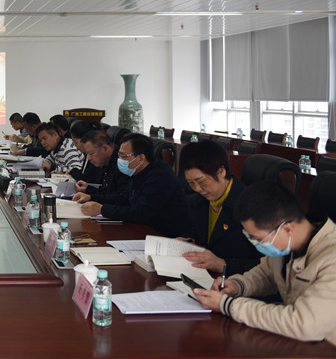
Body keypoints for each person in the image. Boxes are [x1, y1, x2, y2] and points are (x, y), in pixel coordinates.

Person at [193, 182, 336, 346]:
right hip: (296, 343)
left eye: (259, 239)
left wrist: (227, 305)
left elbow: (305, 324)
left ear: (287, 229)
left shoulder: (331, 258)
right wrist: (238, 285)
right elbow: (266, 274)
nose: (257, 245)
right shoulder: (291, 243)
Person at [73, 133, 193, 238]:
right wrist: (91, 197)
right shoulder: (136, 171)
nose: (119, 160)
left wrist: (102, 209)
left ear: (141, 158)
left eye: (123, 156)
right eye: (119, 155)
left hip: (166, 236)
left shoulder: (160, 175)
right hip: (144, 230)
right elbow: (124, 198)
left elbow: (140, 213)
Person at [178, 140, 260, 275]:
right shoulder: (200, 201)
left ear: (221, 171)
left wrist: (224, 265)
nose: (197, 189)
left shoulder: (252, 207)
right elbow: (200, 235)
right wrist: (188, 241)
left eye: (201, 181)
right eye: (191, 183)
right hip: (203, 276)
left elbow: (267, 265)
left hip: (236, 281)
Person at [73, 131, 130, 196]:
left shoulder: (122, 164)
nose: (89, 158)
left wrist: (91, 197)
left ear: (105, 148)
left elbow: (122, 198)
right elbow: (105, 192)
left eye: (91, 153)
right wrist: (88, 189)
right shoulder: (104, 162)